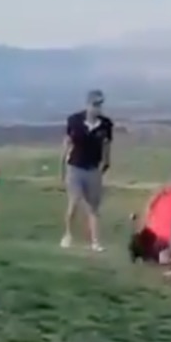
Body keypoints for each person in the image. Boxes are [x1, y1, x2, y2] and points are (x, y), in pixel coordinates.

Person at [60, 90, 113, 251]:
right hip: (75, 167)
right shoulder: (75, 121)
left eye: (100, 105)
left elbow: (106, 145)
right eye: (95, 104)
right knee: (75, 201)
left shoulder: (105, 125)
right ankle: (68, 235)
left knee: (93, 207)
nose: (97, 108)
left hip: (93, 168)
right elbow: (67, 144)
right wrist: (62, 168)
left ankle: (95, 242)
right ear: (88, 105)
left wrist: (105, 164)